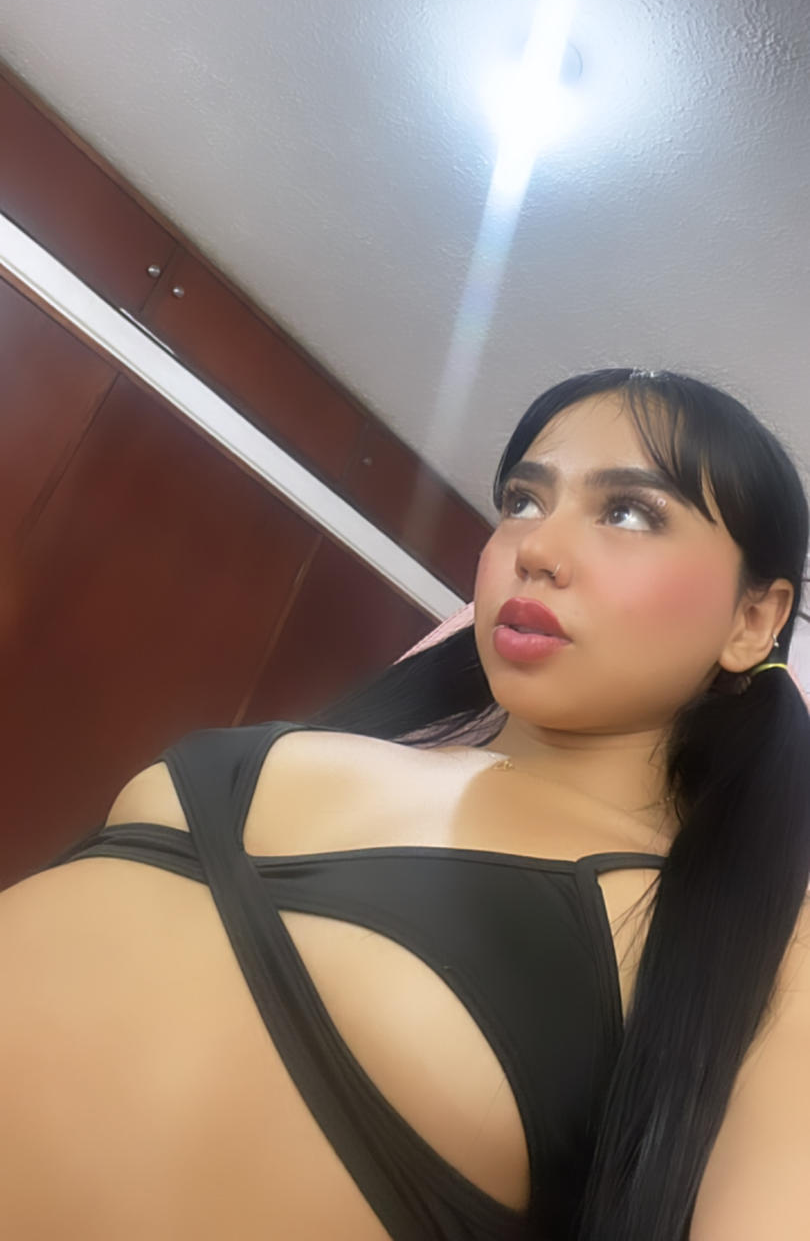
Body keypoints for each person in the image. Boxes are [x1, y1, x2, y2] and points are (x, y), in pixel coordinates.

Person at [1, 365, 809, 1241]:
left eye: (629, 513)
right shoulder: (327, 742)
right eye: (523, 501)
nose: (536, 547)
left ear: (754, 620)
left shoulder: (749, 943)